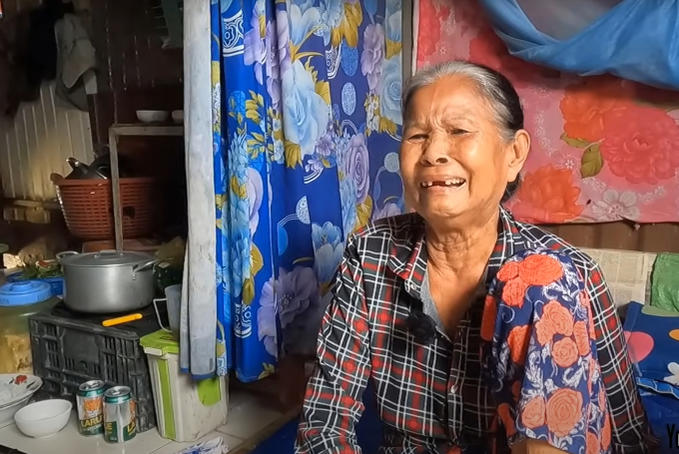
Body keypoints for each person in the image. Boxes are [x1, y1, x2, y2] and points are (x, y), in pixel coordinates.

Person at [295, 61, 655, 453]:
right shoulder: (370, 254)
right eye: (417, 135)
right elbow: (325, 419)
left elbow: (629, 437)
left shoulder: (570, 278)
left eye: (459, 131)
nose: (433, 153)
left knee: (543, 283)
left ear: (514, 154)